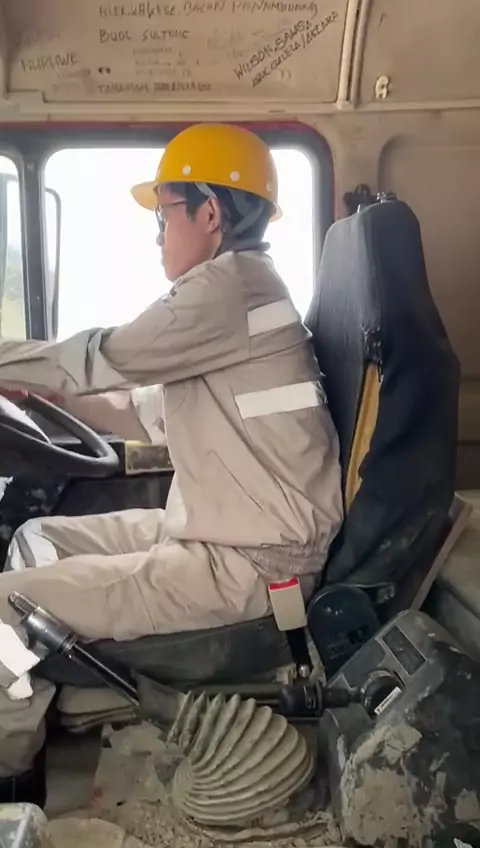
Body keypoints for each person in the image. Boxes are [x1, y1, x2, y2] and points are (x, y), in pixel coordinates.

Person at [0, 123, 343, 804]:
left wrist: (31, 368)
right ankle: (31, 681)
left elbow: (99, 357)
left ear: (210, 214)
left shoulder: (229, 289)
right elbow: (143, 412)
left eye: (164, 214)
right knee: (38, 538)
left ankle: (13, 773)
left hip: (251, 566)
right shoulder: (236, 301)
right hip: (218, 534)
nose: (156, 233)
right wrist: (47, 394)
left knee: (4, 611)